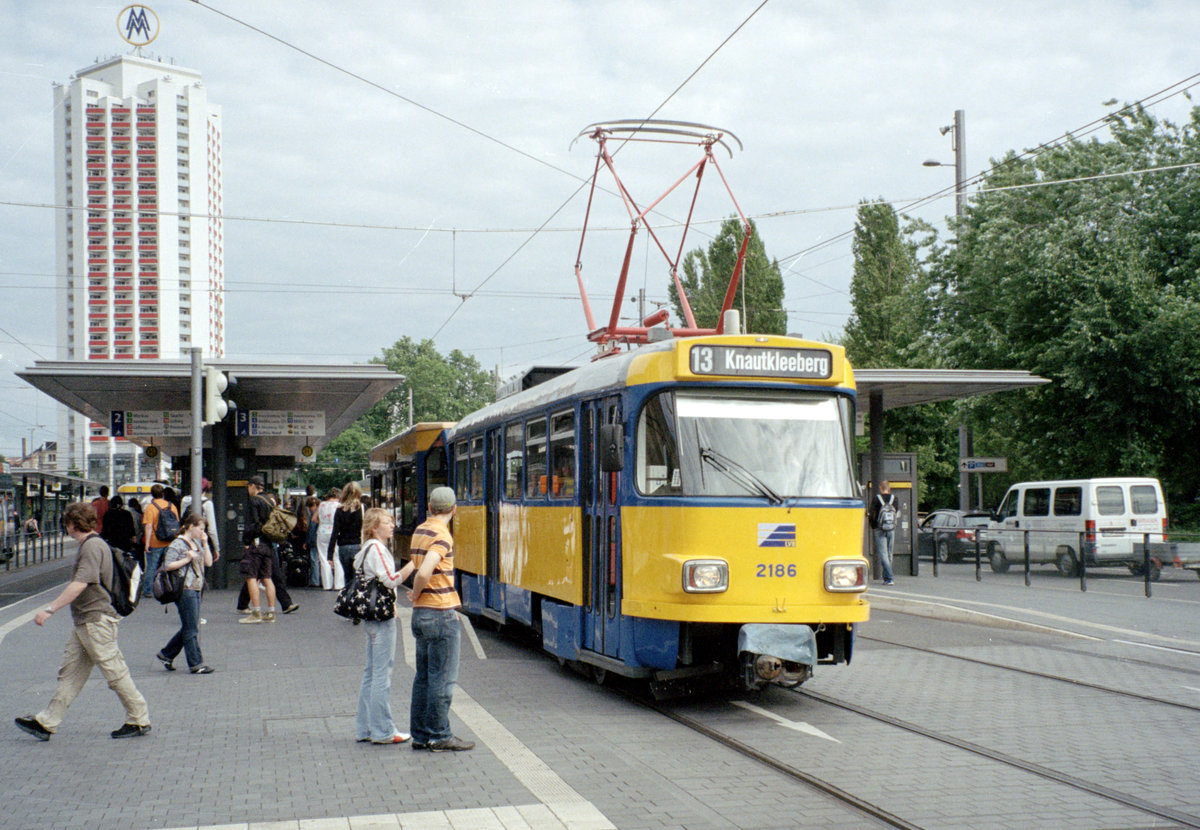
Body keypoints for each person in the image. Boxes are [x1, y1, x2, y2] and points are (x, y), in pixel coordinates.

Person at [13, 502, 151, 741]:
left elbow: (80, 583)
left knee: (114, 671)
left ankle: (139, 718)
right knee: (71, 674)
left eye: (66, 523)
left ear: (71, 524)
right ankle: (46, 722)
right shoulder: (95, 544)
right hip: (86, 621)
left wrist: (49, 609)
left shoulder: (92, 547)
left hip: (95, 620)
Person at [408, 486, 473, 752]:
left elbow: (417, 564)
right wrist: (416, 590)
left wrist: (417, 597)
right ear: (454, 509)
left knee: (423, 677)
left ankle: (421, 735)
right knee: (442, 679)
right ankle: (439, 735)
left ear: (429, 508)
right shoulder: (442, 535)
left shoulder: (420, 530)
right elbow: (424, 571)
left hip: (422, 614)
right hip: (439, 612)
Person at [354, 508, 413, 745]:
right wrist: (412, 565)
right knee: (381, 674)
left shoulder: (366, 548)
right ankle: (383, 731)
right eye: (387, 522)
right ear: (374, 527)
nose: (392, 526)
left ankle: (365, 728)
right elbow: (390, 580)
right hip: (381, 619)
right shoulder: (377, 549)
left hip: (371, 618)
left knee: (371, 673)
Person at [155, 513, 215, 674]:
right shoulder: (177, 544)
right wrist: (187, 559)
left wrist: (205, 543)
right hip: (184, 588)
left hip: (196, 587)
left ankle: (166, 654)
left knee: (190, 625)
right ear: (190, 526)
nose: (202, 532)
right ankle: (196, 663)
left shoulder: (197, 542)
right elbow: (168, 565)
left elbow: (208, 562)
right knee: (191, 628)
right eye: (200, 529)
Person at [238, 475, 279, 624]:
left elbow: (253, 524)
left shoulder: (254, 501)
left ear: (254, 486)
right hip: (268, 544)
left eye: (249, 486)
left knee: (251, 577)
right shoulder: (269, 501)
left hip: (256, 544)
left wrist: (246, 541)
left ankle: (256, 612)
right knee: (267, 578)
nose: (248, 489)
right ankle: (271, 612)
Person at [327, 482, 365, 598]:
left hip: (343, 547)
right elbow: (365, 528)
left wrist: (330, 555)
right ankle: (357, 604)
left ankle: (349, 603)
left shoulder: (339, 509)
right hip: (357, 546)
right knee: (358, 578)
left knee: (348, 578)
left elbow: (335, 532)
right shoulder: (362, 508)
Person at [141, 484, 179, 597]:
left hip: (155, 541)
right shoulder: (171, 506)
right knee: (170, 565)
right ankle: (171, 587)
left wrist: (147, 544)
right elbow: (176, 523)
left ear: (152, 494)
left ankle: (148, 590)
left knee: (152, 567)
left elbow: (148, 526)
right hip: (170, 541)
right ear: (163, 493)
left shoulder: (150, 507)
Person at [871, 481, 898, 586]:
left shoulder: (877, 499)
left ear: (881, 488)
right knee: (889, 553)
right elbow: (897, 511)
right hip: (891, 528)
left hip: (880, 528)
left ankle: (889, 578)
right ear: (889, 489)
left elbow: (872, 514)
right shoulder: (894, 499)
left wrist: (874, 526)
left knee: (883, 554)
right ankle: (887, 576)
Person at [317, 487, 341, 590]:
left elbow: (315, 519)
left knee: (323, 558)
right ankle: (339, 584)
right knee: (336, 557)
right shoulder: (338, 506)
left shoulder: (321, 504)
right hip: (334, 531)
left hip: (322, 531)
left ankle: (327, 584)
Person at [305, 496, 321, 587]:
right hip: (322, 537)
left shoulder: (314, 514)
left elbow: (311, 529)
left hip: (314, 539)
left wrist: (307, 541)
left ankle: (315, 581)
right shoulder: (322, 512)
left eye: (310, 507)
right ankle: (322, 580)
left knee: (314, 559)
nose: (309, 509)